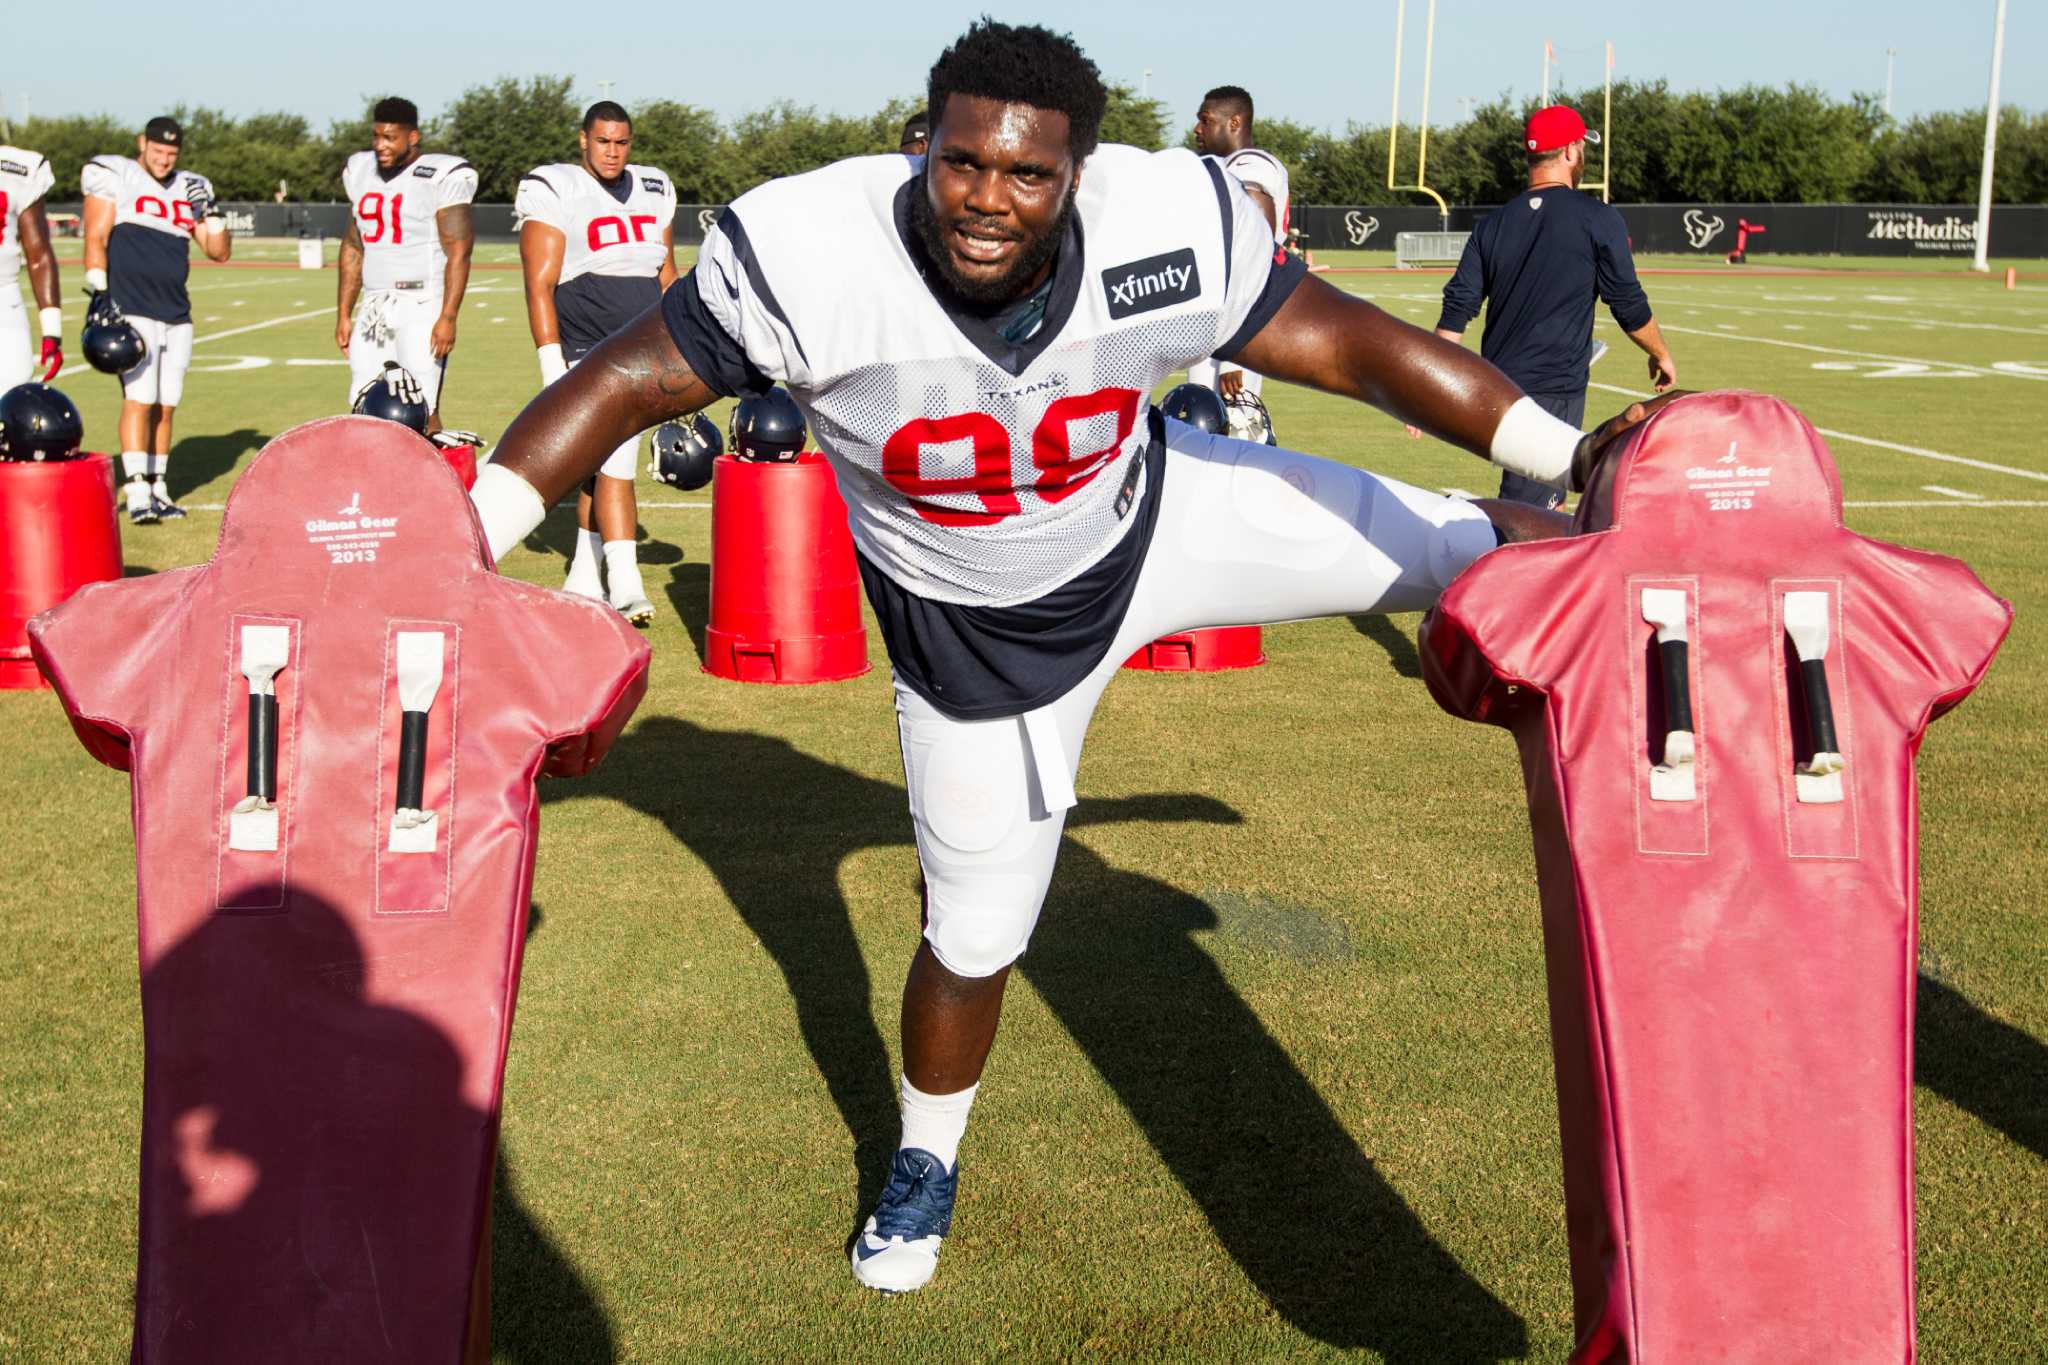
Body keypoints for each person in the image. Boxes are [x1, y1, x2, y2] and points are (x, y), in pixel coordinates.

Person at [465, 19, 1670, 1296]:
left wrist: (1572, 453)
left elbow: (1349, 345)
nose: (988, 198)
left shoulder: (1162, 221)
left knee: (1457, 539)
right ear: (920, 144)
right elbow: (621, 384)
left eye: (1026, 173)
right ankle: (924, 1159)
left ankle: (1642, 569)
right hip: (974, 641)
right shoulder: (815, 249)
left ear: (1076, 174)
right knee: (975, 937)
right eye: (962, 163)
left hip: (1160, 519)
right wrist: (466, 537)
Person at [1428, 104, 1676, 509]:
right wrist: (1660, 353)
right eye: (1581, 147)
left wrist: (1428, 386)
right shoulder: (1597, 218)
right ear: (1569, 152)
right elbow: (1627, 303)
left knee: (1548, 499)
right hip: (1550, 389)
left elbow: (1457, 310)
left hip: (1495, 387)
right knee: (1526, 513)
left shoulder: (1492, 224)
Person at [514, 101, 678, 623]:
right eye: (603, 141)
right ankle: (625, 581)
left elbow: (668, 275)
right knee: (616, 464)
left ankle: (584, 575)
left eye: (622, 142)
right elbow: (538, 283)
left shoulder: (654, 187)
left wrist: (681, 349)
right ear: (584, 140)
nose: (613, 151)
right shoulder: (556, 186)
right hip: (587, 349)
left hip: (643, 345)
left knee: (600, 465)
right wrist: (550, 367)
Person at [81, 117, 231, 524]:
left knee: (166, 405)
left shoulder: (189, 186)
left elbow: (218, 252)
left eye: (171, 154)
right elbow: (96, 237)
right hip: (131, 307)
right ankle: (137, 490)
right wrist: (98, 291)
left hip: (176, 312)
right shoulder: (119, 174)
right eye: (158, 151)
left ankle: (159, 486)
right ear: (142, 143)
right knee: (139, 399)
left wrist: (211, 213)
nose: (164, 160)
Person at [336, 97, 476, 432]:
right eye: (376, 136)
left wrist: (448, 316)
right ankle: (372, 483)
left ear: (412, 137)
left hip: (422, 302)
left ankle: (438, 483)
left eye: (390, 138)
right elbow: (354, 246)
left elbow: (459, 250)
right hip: (375, 305)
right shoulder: (360, 170)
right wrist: (344, 312)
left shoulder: (440, 174)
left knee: (422, 407)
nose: (380, 145)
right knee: (363, 402)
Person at [1188, 85, 1289, 426]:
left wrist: (1235, 356)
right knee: (1201, 430)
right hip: (1219, 320)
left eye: (1205, 120)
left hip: (1237, 324)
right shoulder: (1224, 166)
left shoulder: (1250, 166)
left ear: (1234, 123)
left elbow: (1250, 255)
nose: (1197, 129)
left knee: (1232, 431)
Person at [1, 143, 62, 384]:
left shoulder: (15, 169)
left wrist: (52, 329)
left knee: (15, 390)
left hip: (4, 296)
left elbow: (38, 254)